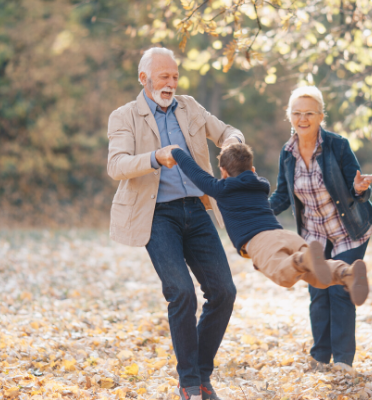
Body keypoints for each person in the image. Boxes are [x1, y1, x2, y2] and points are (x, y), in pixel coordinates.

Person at [106, 47, 244, 400]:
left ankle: (201, 374)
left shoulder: (190, 106)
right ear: (144, 78)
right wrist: (155, 157)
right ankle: (190, 383)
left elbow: (228, 130)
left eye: (174, 77)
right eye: (163, 76)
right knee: (181, 292)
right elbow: (117, 165)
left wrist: (232, 146)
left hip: (197, 210)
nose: (170, 83)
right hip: (157, 215)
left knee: (224, 291)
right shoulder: (124, 116)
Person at [169, 144, 369, 304]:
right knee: (317, 274)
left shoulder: (222, 188)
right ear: (253, 170)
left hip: (259, 241)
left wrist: (176, 151)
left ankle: (303, 259)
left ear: (223, 172)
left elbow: (196, 173)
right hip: (284, 234)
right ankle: (347, 273)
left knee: (283, 274)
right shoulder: (261, 185)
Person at [268, 86, 372, 368]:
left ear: (320, 116)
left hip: (348, 232)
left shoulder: (337, 145)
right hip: (314, 236)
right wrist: (257, 212)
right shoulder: (287, 153)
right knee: (318, 292)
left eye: (309, 113)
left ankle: (342, 361)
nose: (302, 119)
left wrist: (358, 188)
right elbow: (283, 195)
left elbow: (358, 188)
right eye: (296, 113)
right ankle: (320, 357)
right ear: (289, 117)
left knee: (339, 289)